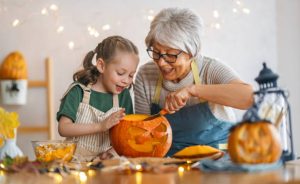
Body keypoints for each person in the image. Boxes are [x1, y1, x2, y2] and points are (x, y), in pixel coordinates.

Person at [134, 8, 254, 156]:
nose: (161, 63)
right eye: (156, 53)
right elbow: (142, 134)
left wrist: (193, 90)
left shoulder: (210, 69)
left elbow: (248, 98)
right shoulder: (146, 75)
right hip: (170, 166)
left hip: (217, 162)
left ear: (192, 52)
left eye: (171, 55)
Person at [57, 35, 139, 161]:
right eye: (121, 73)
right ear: (101, 66)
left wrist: (111, 153)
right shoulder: (78, 91)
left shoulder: (124, 96)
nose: (126, 81)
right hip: (74, 163)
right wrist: (100, 126)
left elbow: (127, 135)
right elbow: (63, 128)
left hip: (106, 164)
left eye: (131, 75)